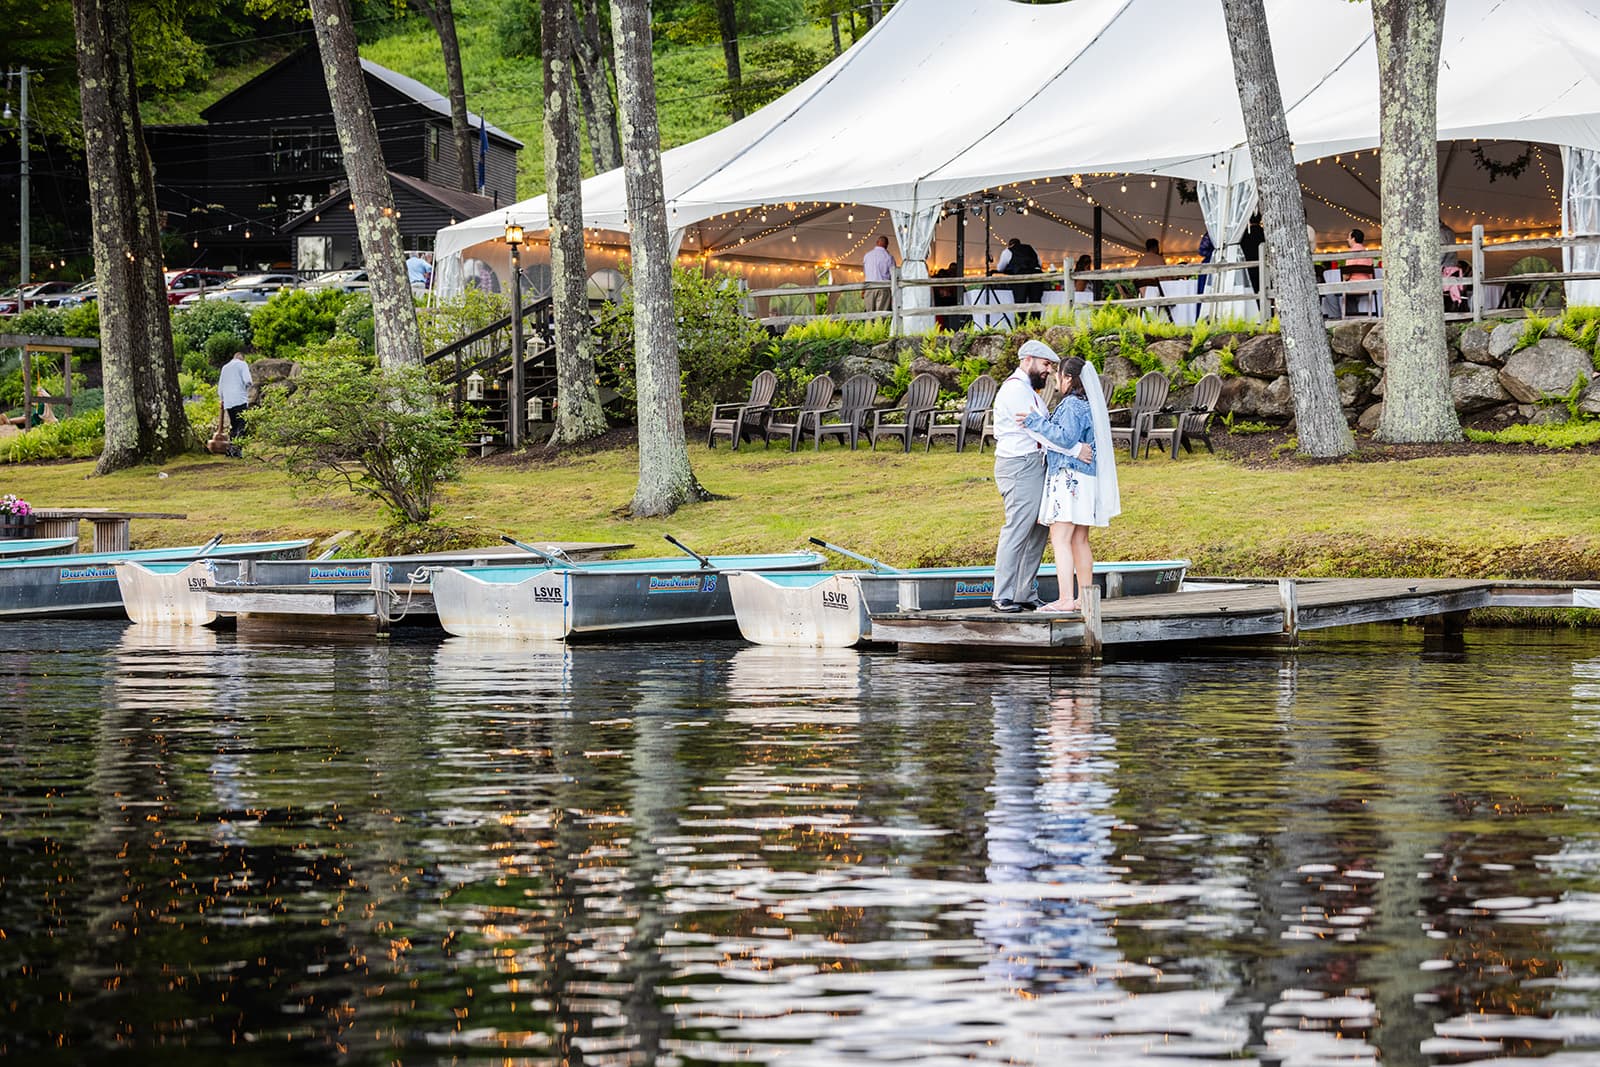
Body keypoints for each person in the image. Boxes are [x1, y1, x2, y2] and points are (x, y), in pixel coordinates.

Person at [1017, 355, 1121, 612]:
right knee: (1079, 539)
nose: (1056, 379)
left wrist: (1034, 421)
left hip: (1069, 477)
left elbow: (1065, 438)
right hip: (1085, 478)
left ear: (1069, 378)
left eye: (1059, 375)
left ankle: (1065, 598)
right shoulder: (1087, 404)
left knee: (1060, 537)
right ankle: (1084, 598)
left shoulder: (1072, 405)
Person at [989, 339, 1060, 613]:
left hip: (1034, 463)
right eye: (1045, 364)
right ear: (1028, 359)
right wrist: (1074, 448)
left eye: (1051, 366)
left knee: (1039, 528)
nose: (1048, 371)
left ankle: (1024, 591)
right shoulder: (1015, 391)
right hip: (1019, 465)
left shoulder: (1028, 390)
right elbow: (1037, 429)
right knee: (1017, 528)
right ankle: (1002, 595)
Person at [997, 237, 1043, 320]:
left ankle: (1021, 326)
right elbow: (1040, 263)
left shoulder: (1007, 251)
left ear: (1009, 245)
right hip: (1036, 276)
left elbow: (1000, 268)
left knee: (1020, 302)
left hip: (1021, 277)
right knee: (1036, 302)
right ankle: (1036, 325)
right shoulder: (1031, 248)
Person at [217, 350, 253, 457]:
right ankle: (237, 450)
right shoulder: (242, 364)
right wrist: (246, 388)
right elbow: (248, 380)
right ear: (242, 358)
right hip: (240, 399)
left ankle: (230, 450)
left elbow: (220, 387)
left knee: (234, 425)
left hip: (228, 401)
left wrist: (222, 399)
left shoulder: (225, 367)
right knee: (242, 425)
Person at [1343, 229, 1375, 315]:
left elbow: (1347, 276)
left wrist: (1345, 278)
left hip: (1354, 287)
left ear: (1353, 239)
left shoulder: (1351, 253)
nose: (1347, 240)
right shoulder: (1368, 253)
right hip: (1368, 285)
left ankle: (1349, 317)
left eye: (1348, 238)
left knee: (1338, 291)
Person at [863, 236, 895, 313]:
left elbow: (865, 272)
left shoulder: (867, 255)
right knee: (881, 315)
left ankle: (869, 325)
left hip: (869, 286)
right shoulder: (888, 257)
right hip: (883, 287)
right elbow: (893, 274)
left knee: (869, 313)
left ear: (877, 243)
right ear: (887, 245)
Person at [1240, 214, 1267, 293]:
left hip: (1248, 264)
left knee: (1252, 288)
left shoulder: (1244, 234)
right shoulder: (1263, 233)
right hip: (1261, 263)